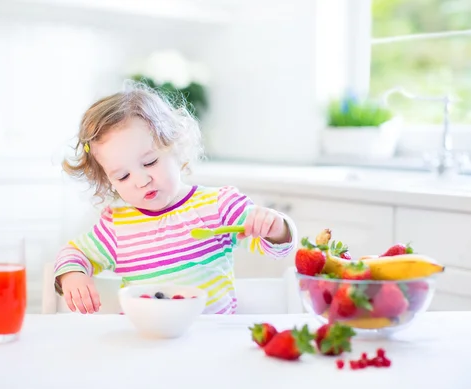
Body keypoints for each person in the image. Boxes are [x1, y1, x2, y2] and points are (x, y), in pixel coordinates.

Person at [54, 81, 297, 315]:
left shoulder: (219, 205)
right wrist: (73, 275)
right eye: (123, 176)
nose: (141, 180)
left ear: (176, 145)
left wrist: (275, 227)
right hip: (146, 341)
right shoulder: (117, 226)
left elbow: (277, 247)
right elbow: (73, 253)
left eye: (150, 162)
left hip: (210, 341)